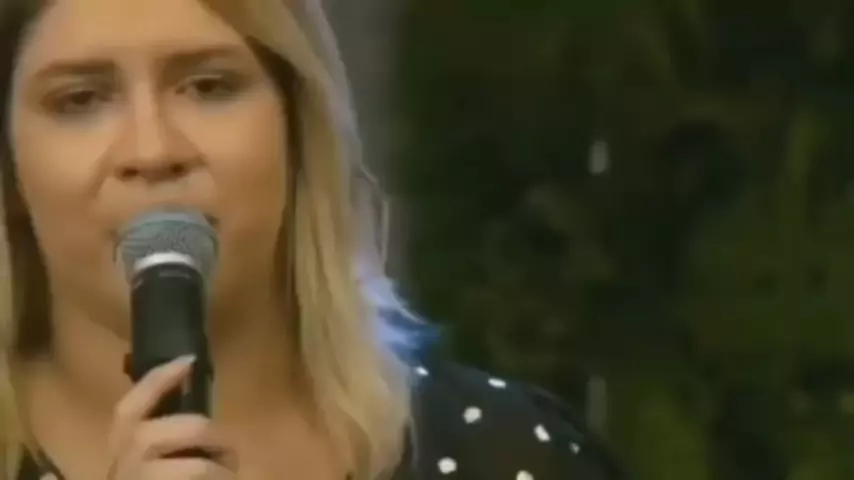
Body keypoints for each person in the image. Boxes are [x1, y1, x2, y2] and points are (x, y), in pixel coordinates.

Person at [0, 0, 626, 479]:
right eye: (80, 99)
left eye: (209, 86)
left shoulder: (507, 452)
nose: (153, 150)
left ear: (298, 129)